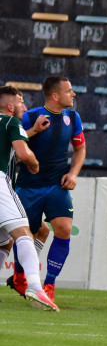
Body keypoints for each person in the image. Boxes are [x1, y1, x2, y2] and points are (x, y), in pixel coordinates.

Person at [9, 75, 85, 304]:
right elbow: (14, 146)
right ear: (55, 95)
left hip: (57, 186)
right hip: (28, 187)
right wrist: (32, 130)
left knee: (63, 228)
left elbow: (80, 149)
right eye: (69, 91)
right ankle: (20, 277)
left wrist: (73, 174)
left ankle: (49, 285)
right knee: (25, 235)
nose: (73, 94)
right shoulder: (29, 116)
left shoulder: (73, 117)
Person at [0, 86, 59, 310]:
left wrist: (31, 131)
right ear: (9, 106)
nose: (24, 106)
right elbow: (23, 153)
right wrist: (34, 164)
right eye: (20, 101)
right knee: (24, 231)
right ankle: (34, 285)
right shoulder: (11, 123)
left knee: (4, 240)